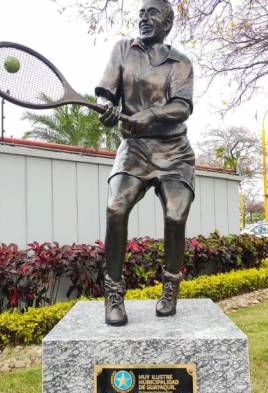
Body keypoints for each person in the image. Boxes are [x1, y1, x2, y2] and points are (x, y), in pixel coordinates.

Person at [96, 0, 194, 325]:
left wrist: (148, 114)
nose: (144, 18)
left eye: (152, 13)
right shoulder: (122, 49)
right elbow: (106, 96)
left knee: (175, 215)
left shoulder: (180, 62)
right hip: (134, 147)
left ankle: (170, 287)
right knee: (115, 208)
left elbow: (181, 107)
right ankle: (113, 293)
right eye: (140, 13)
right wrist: (107, 110)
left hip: (173, 149)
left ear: (167, 23)